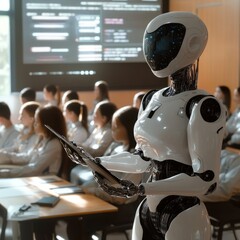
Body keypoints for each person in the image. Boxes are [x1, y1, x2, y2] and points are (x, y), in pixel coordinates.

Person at [63, 12, 226, 240]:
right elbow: (142, 158)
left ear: (193, 42)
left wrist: (141, 189)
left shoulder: (203, 106)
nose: (154, 50)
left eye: (163, 41)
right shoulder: (151, 99)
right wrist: (96, 161)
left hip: (184, 212)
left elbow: (206, 180)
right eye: (151, 41)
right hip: (147, 209)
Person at [0, 105, 67, 178]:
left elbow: (35, 169)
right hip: (36, 178)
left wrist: (6, 174)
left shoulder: (54, 144)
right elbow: (29, 158)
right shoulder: (43, 140)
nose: (34, 124)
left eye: (37, 122)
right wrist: (4, 156)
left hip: (47, 182)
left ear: (47, 124)